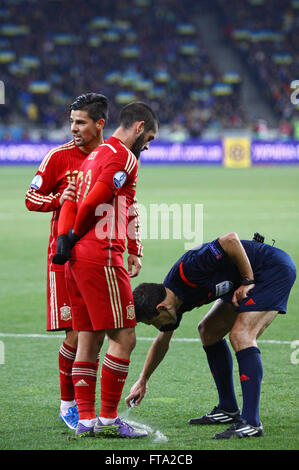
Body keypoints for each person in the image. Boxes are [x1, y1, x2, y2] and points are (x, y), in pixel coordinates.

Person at [52, 101, 159, 438]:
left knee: (88, 338)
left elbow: (72, 199)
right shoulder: (123, 157)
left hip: (77, 260)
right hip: (101, 256)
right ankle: (110, 420)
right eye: (150, 137)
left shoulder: (93, 156)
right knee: (124, 337)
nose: (148, 145)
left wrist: (65, 242)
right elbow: (94, 200)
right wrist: (73, 235)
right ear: (139, 127)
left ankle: (85, 421)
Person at [126, 232, 296, 439]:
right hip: (241, 279)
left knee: (241, 335)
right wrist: (143, 380)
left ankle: (251, 422)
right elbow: (163, 342)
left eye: (153, 322)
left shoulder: (189, 269)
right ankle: (228, 409)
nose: (156, 327)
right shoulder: (173, 304)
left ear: (161, 308)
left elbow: (230, 240)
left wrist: (247, 280)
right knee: (208, 331)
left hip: (270, 270)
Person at [25, 93, 109, 430]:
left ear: (99, 124)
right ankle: (69, 402)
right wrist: (59, 199)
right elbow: (31, 198)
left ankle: (91, 406)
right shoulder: (58, 157)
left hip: (101, 258)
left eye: (80, 122)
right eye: (71, 121)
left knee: (98, 333)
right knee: (76, 334)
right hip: (65, 259)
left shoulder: (112, 157)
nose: (73, 128)